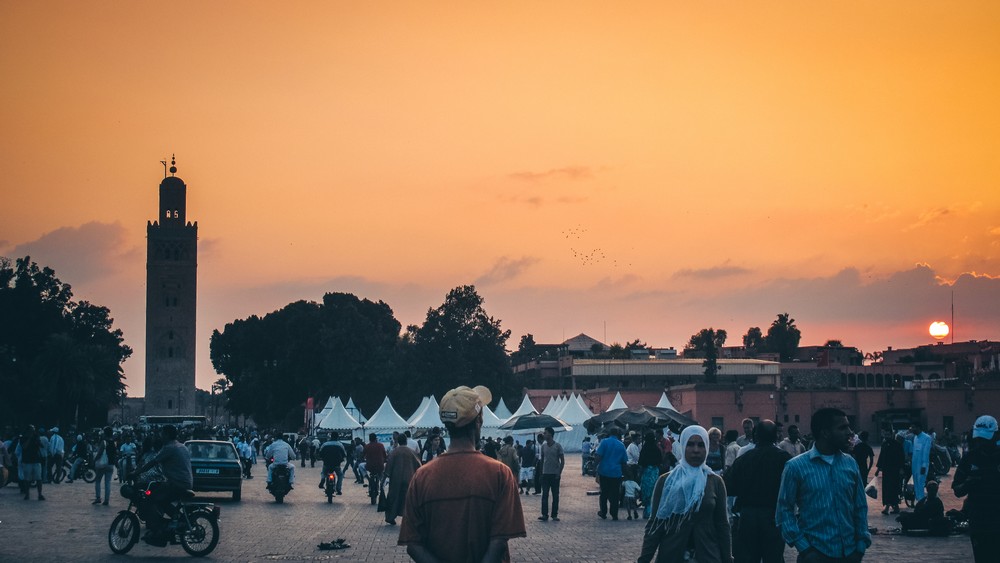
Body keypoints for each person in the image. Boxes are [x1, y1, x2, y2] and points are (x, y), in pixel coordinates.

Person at [398, 385, 526, 562]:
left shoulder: (421, 477)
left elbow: (413, 545)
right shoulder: (499, 473)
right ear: (479, 421)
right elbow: (499, 541)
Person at [776, 408, 870, 562]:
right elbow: (784, 511)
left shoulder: (850, 463)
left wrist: (860, 546)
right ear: (825, 433)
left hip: (850, 553)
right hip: (815, 553)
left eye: (848, 426)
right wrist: (805, 549)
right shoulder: (796, 467)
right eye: (842, 427)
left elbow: (860, 507)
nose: (850, 432)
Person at [638, 425, 733, 563]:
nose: (696, 450)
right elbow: (655, 524)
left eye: (701, 445)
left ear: (706, 447)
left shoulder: (715, 482)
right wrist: (644, 559)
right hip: (671, 555)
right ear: (683, 446)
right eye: (690, 444)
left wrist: (727, 558)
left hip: (708, 555)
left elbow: (723, 524)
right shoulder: (666, 481)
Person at [724, 420, 790, 563]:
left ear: (755, 436)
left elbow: (729, 487)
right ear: (775, 437)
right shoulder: (784, 459)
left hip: (748, 516)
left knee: (747, 558)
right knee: (773, 557)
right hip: (774, 516)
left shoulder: (743, 459)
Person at [132, 425, 193, 546]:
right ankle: (174, 521)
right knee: (162, 499)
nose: (160, 436)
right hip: (185, 482)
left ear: (167, 435)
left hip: (177, 483)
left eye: (162, 433)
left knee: (150, 498)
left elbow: (152, 463)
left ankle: (158, 529)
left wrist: (135, 473)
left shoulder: (169, 448)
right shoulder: (182, 446)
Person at [952, 415, 1000, 562]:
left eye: (985, 439)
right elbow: (957, 489)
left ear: (995, 436)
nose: (982, 443)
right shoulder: (969, 458)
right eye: (979, 438)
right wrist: (969, 483)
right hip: (978, 522)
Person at [384, 433, 421, 526]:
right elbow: (419, 466)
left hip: (396, 480)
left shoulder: (394, 452)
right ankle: (408, 517)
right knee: (408, 499)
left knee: (393, 498)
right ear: (406, 441)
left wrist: (384, 478)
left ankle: (390, 517)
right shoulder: (412, 452)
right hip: (409, 478)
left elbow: (388, 466)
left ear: (398, 441)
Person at [594, 426, 628, 521]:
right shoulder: (621, 445)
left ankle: (603, 512)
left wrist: (594, 467)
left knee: (604, 493)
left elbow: (598, 456)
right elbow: (624, 462)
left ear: (610, 433)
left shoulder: (604, 442)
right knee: (615, 494)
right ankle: (614, 514)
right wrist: (626, 474)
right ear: (617, 434)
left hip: (604, 471)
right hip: (616, 473)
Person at [538, 426, 565, 522]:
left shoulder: (558, 446)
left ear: (550, 434)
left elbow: (562, 460)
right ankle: (544, 514)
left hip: (554, 474)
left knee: (555, 495)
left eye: (545, 433)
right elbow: (541, 460)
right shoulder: (543, 446)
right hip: (545, 474)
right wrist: (541, 473)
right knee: (544, 494)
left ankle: (554, 514)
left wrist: (559, 472)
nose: (544, 435)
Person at [874, 432, 905, 514]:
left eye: (888, 434)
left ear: (892, 435)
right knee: (886, 489)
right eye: (885, 434)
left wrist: (901, 468)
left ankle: (896, 507)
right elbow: (881, 457)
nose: (886, 436)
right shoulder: (884, 444)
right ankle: (887, 507)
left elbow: (901, 457)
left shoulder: (897, 444)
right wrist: (878, 469)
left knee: (894, 488)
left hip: (895, 470)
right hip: (886, 470)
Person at [638, 430, 663, 519]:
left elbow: (640, 462)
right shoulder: (657, 449)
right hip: (655, 472)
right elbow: (660, 461)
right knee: (654, 491)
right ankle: (652, 511)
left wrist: (639, 474)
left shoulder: (644, 449)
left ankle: (647, 511)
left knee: (646, 492)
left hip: (646, 472)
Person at [16, 425, 45, 500]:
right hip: (27, 461)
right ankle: (27, 494)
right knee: (27, 479)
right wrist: (29, 438)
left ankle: (40, 494)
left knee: (39, 478)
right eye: (31, 430)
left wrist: (37, 440)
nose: (33, 431)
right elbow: (24, 447)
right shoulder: (23, 438)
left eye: (34, 430)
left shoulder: (36, 437)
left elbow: (42, 446)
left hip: (36, 460)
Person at [909, 422, 932, 502]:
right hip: (914, 466)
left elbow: (926, 453)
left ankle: (921, 502)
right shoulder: (915, 438)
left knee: (920, 484)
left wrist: (924, 466)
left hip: (922, 466)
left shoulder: (927, 438)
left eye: (914, 427)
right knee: (916, 485)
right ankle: (918, 502)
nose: (912, 429)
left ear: (919, 428)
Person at [92, 427, 115, 505]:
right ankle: (106, 500)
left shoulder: (104, 442)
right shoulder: (113, 442)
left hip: (102, 464)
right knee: (107, 482)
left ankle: (98, 498)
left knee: (98, 481)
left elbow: (99, 453)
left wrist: (94, 460)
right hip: (110, 464)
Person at [363, 433, 388, 505]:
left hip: (369, 466)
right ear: (376, 438)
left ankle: (367, 478)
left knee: (361, 467)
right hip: (380, 466)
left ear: (369, 439)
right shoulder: (381, 445)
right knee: (381, 477)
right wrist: (385, 459)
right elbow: (384, 455)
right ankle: (382, 485)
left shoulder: (367, 446)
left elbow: (362, 455)